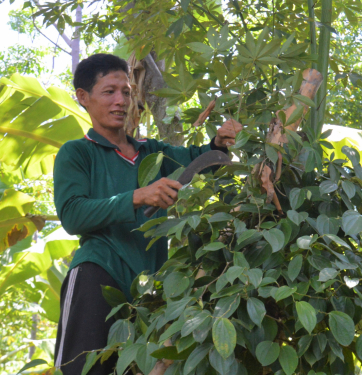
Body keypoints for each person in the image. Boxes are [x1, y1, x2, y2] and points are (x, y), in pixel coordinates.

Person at [52, 54, 242, 375]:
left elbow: (202, 160)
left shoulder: (153, 154)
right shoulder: (77, 152)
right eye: (109, 91)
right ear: (83, 97)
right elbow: (72, 215)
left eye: (126, 92)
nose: (120, 101)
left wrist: (219, 143)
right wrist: (138, 197)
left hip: (148, 293)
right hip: (97, 274)